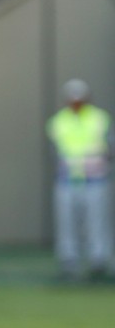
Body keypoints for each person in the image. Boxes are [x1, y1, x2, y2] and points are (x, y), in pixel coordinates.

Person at [46, 79, 112, 282]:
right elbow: (55, 150)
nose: (76, 103)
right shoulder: (59, 121)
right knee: (67, 222)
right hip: (68, 179)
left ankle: (99, 260)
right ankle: (69, 261)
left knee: (97, 221)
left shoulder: (99, 118)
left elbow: (110, 145)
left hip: (95, 178)